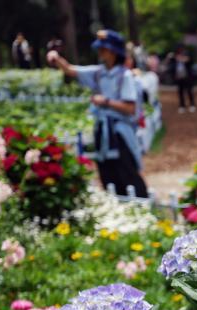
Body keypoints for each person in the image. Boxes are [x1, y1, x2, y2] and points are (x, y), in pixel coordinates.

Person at [47, 29, 148, 197]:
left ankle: (140, 205)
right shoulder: (98, 73)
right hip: (103, 132)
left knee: (127, 172)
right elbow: (71, 70)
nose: (101, 52)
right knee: (107, 174)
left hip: (120, 133)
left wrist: (106, 102)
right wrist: (56, 58)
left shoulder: (125, 76)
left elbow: (130, 108)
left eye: (104, 49)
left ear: (114, 52)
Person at [169, 45, 196, 113]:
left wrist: (183, 59)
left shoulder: (187, 54)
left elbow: (191, 61)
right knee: (180, 92)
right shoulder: (174, 57)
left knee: (189, 91)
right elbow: (170, 65)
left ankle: (192, 105)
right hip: (179, 77)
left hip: (187, 77)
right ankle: (182, 106)